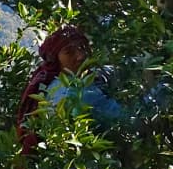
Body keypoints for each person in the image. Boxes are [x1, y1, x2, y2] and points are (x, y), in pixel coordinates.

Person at [15, 25, 122, 154]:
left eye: (82, 47)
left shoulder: (68, 79)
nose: (80, 56)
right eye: (69, 52)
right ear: (56, 60)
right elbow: (127, 121)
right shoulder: (74, 93)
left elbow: (113, 71)